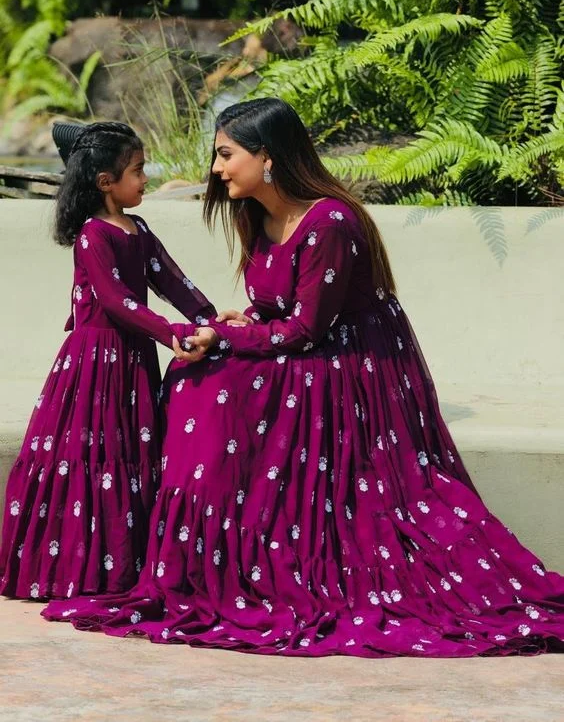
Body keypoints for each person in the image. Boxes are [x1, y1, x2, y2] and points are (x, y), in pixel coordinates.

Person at [43, 101, 564, 656]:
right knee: (196, 381)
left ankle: (244, 561)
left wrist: (220, 336)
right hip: (301, 348)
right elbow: (273, 309)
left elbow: (308, 329)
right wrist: (237, 321)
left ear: (267, 157)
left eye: (226, 155)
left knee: (214, 386)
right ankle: (203, 567)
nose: (216, 169)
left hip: (351, 369)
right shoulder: (259, 215)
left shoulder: (330, 221)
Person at [0, 122, 215, 600]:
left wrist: (208, 316)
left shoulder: (138, 229)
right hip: (94, 364)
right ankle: (75, 572)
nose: (146, 181)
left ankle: (123, 567)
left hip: (133, 360)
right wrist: (175, 333)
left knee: (131, 452)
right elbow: (117, 302)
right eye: (138, 172)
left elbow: (171, 281)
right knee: (88, 457)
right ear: (104, 182)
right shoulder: (93, 237)